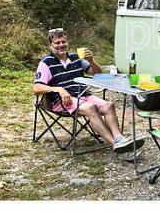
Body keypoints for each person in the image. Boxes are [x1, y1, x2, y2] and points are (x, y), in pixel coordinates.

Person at [33, 28, 144, 160]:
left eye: (63, 42)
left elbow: (97, 74)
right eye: (57, 43)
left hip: (83, 95)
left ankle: (119, 138)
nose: (61, 45)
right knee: (91, 108)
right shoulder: (46, 63)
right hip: (62, 101)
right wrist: (58, 89)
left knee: (108, 105)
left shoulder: (75, 58)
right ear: (50, 45)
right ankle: (115, 145)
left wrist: (91, 60)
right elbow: (36, 87)